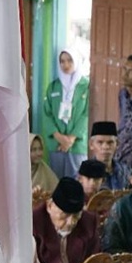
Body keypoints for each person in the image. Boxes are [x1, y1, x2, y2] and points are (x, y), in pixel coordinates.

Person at [33, 178, 99, 263]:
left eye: (76, 215)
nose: (71, 222)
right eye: (65, 215)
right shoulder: (33, 224)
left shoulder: (89, 222)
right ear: (50, 206)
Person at [42, 48, 89, 178]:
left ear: (77, 61)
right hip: (56, 144)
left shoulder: (86, 86)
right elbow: (47, 114)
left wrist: (71, 139)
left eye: (69, 60)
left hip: (77, 145)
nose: (65, 65)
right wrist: (59, 137)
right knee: (56, 181)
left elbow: (86, 115)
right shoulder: (53, 86)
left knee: (77, 181)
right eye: (62, 61)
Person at [88, 121, 130, 191]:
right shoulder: (85, 173)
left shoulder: (125, 171)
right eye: (100, 142)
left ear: (117, 144)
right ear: (91, 144)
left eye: (110, 142)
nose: (105, 147)